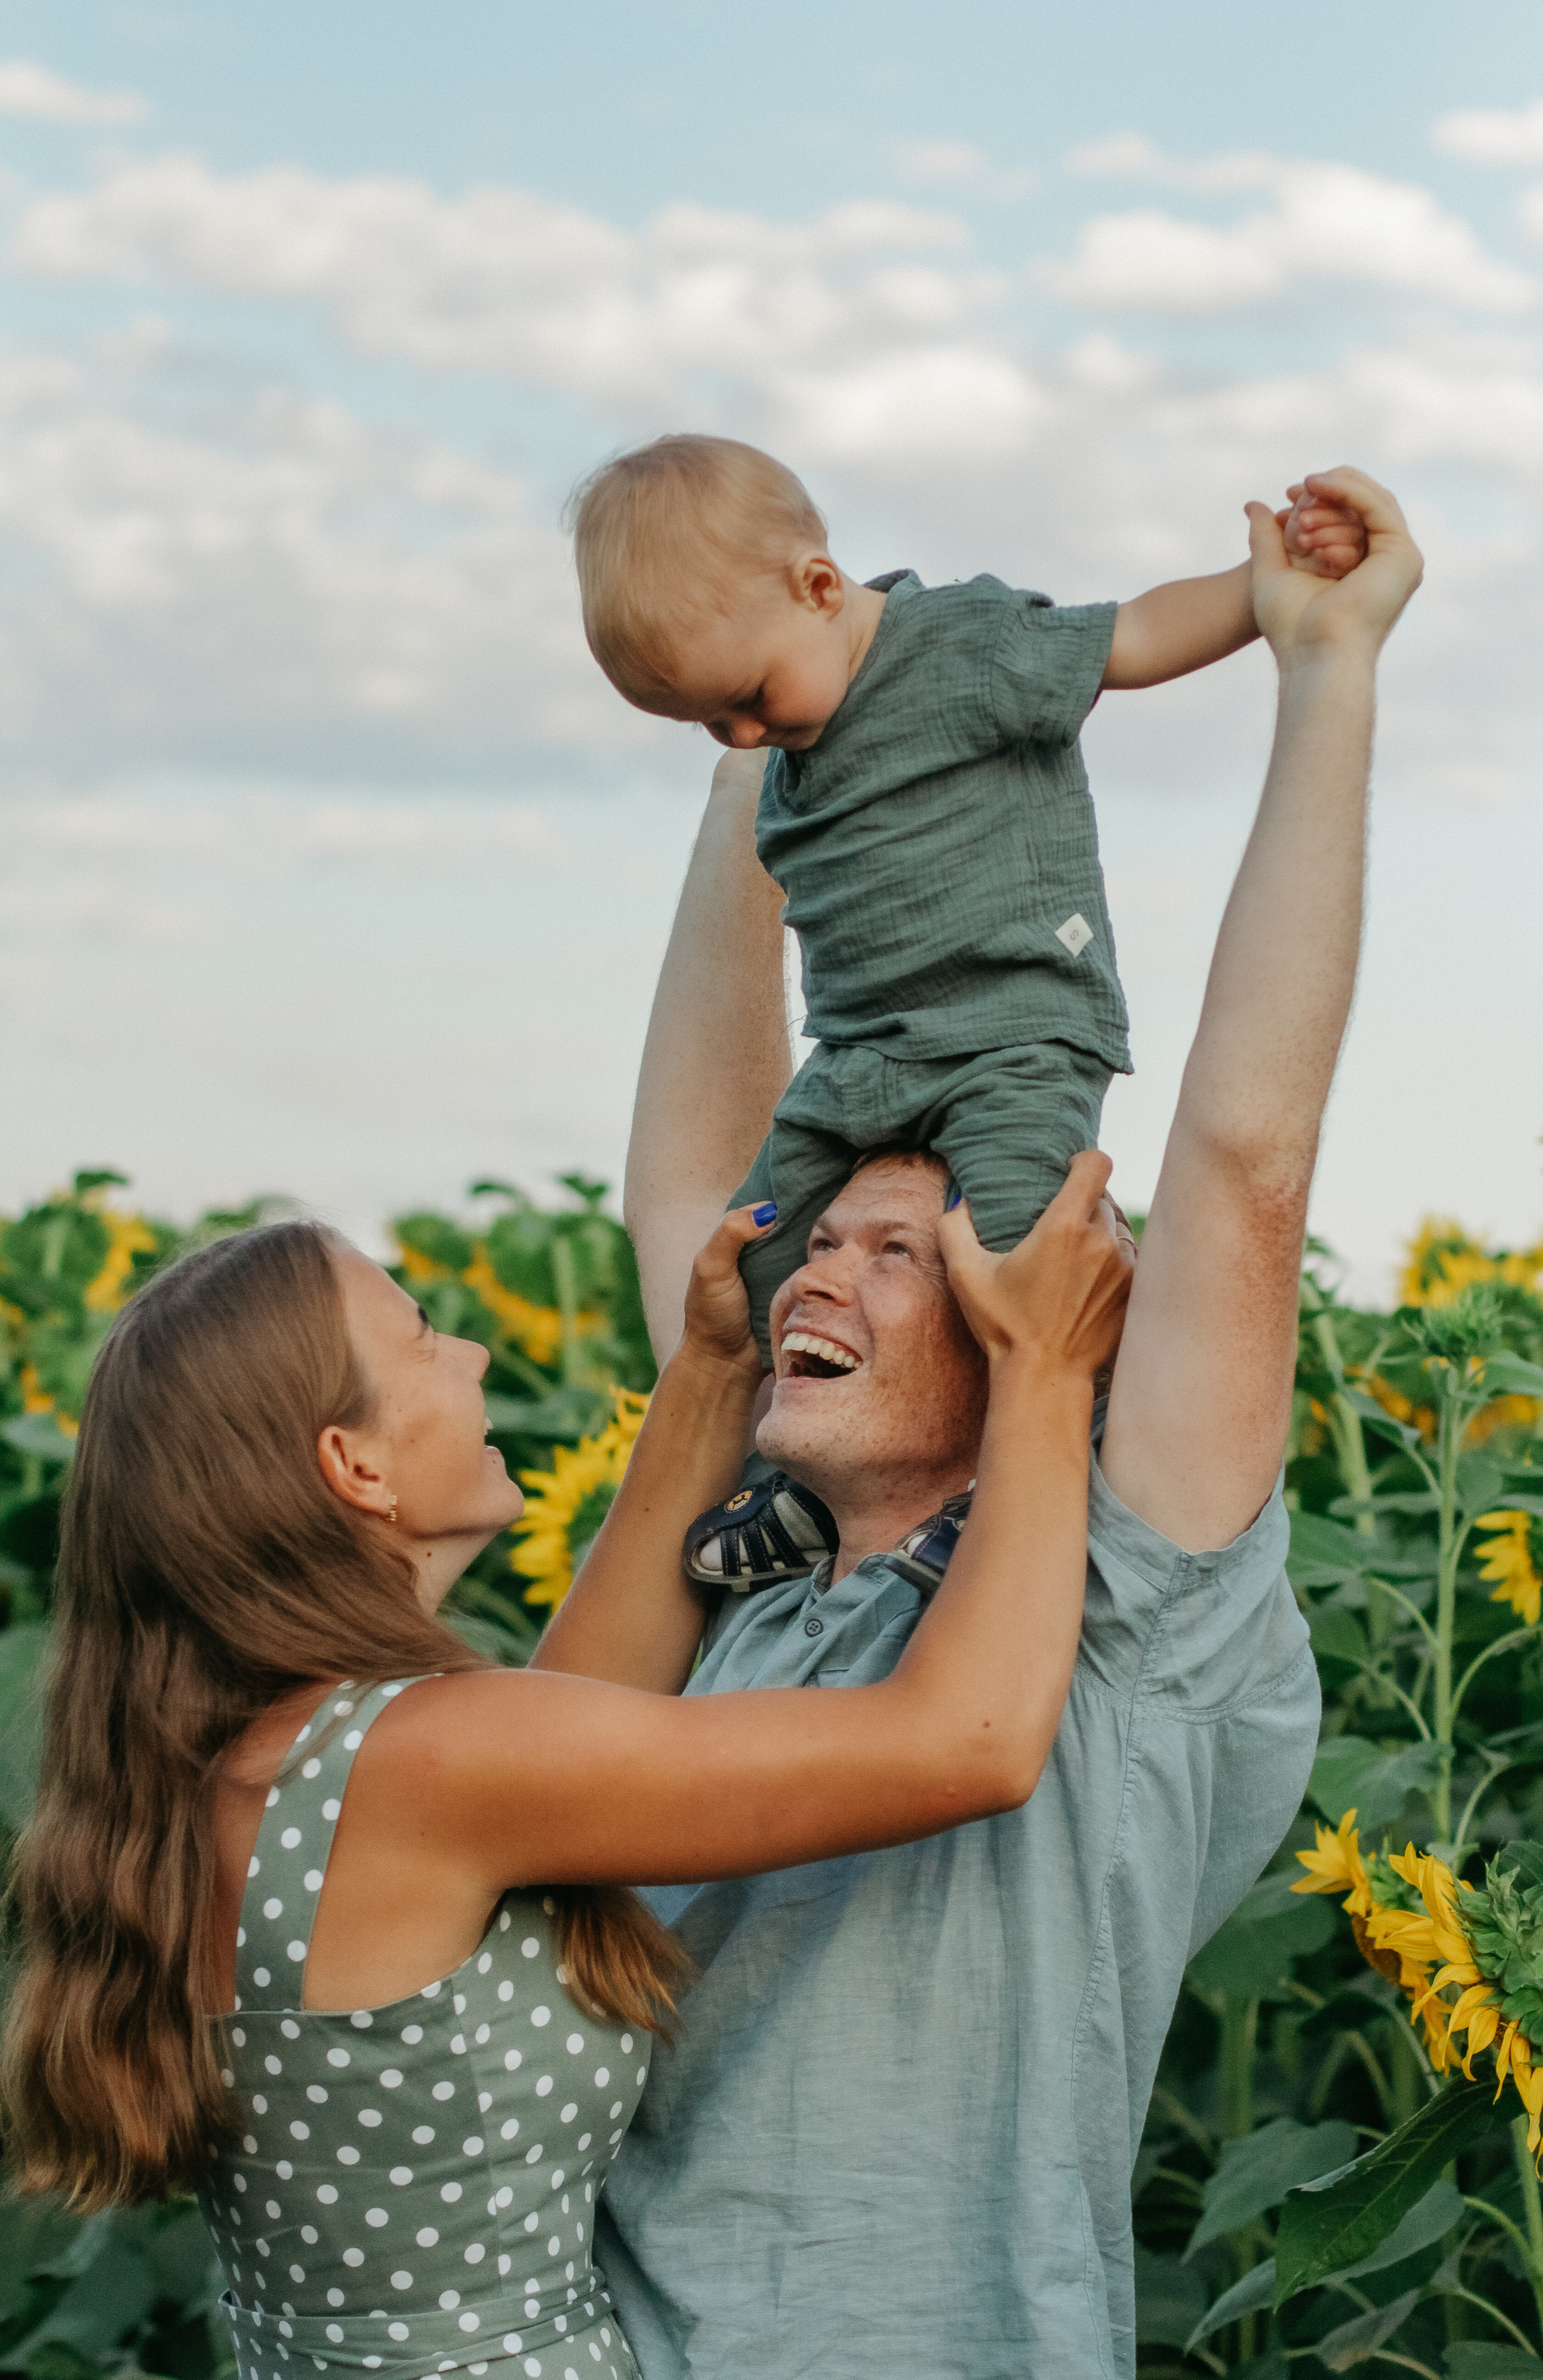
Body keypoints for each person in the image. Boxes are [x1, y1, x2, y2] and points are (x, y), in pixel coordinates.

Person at [537, 467, 1425, 2378]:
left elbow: (1248, 1161)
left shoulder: (1116, 1604)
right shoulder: (732, 1587)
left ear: (1047, 1303)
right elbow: (692, 1185)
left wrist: (1324, 669)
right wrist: (774, 762)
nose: (824, 1276)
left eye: (900, 1249)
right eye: (819, 1248)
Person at [0, 1130, 1131, 2380]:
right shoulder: (426, 1759)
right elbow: (963, 1743)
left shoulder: (280, 1757)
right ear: (352, 1463)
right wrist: (1042, 1368)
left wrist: (711, 1366)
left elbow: (572, 1710)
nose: (475, 1353)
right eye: (424, 1335)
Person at [569, 434, 1366, 1419]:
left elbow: (1136, 637)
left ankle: (1068, 1457)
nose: (739, 737)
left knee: (1015, 1259)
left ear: (820, 586)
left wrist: (1264, 585)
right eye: (705, 723)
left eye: (747, 699)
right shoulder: (784, 750)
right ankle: (782, 1480)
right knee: (755, 1261)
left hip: (1014, 1036)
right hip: (859, 1058)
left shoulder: (966, 646)